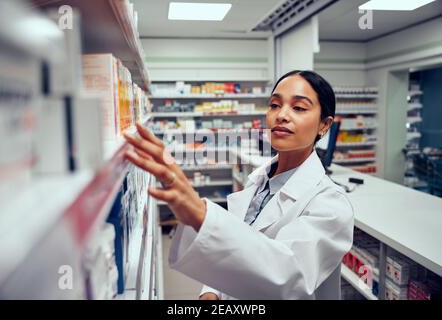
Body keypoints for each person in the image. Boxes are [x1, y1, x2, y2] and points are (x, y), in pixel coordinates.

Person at [124, 70, 354, 300]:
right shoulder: (258, 180)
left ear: (324, 125)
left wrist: (201, 214)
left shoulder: (330, 204)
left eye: (299, 108)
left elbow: (286, 276)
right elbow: (236, 249)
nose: (281, 115)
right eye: (275, 105)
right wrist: (211, 292)